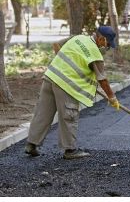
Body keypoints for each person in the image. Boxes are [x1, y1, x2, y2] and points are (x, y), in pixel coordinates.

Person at [25, 26, 120, 160]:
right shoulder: (95, 54)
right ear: (101, 39)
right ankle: (70, 150)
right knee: (69, 116)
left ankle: (31, 144)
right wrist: (112, 97)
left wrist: (63, 65)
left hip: (50, 77)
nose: (108, 47)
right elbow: (102, 79)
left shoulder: (78, 38)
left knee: (43, 113)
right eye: (108, 44)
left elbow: (56, 44)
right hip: (66, 86)